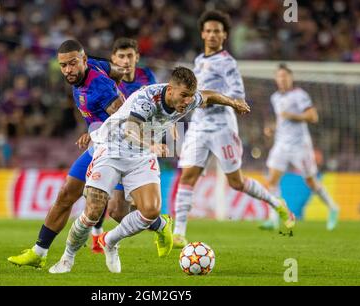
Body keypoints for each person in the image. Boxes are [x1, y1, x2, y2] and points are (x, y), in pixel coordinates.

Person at [49, 66, 250, 273]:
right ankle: (67, 258)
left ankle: (109, 240)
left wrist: (232, 102)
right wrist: (152, 145)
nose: (187, 101)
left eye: (190, 97)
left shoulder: (187, 100)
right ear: (170, 90)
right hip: (112, 147)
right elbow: (130, 129)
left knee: (150, 212)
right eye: (183, 96)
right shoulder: (147, 99)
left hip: (140, 155)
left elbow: (208, 96)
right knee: (93, 210)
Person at [7, 39, 169, 270]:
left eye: (72, 64)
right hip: (99, 145)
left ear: (83, 60)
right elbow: (116, 72)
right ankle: (39, 252)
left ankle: (160, 225)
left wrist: (98, 131)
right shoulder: (94, 64)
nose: (68, 70)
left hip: (120, 150)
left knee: (117, 212)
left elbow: (124, 120)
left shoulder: (99, 88)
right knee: (66, 194)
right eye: (63, 65)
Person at [172, 10, 296, 249]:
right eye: (207, 31)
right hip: (198, 127)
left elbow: (238, 98)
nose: (211, 35)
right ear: (202, 33)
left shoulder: (228, 63)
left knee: (236, 182)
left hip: (222, 129)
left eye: (216, 31)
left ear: (225, 35)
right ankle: (179, 233)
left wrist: (209, 98)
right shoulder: (199, 61)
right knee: (187, 175)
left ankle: (276, 204)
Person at [91, 37, 157, 253]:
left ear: (137, 57)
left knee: (130, 207)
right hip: (113, 146)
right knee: (116, 209)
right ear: (113, 59)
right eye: (121, 56)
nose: (126, 60)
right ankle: (161, 226)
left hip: (139, 150)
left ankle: (159, 224)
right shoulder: (110, 83)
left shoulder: (147, 78)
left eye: (130, 55)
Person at [260, 64, 339, 231]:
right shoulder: (275, 97)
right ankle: (273, 220)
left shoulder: (300, 95)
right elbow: (281, 120)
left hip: (300, 145)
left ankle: (333, 208)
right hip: (281, 143)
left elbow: (313, 116)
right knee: (271, 181)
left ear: (291, 78)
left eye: (285, 76)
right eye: (279, 76)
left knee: (311, 181)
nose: (282, 79)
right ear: (276, 79)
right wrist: (272, 128)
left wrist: (292, 116)